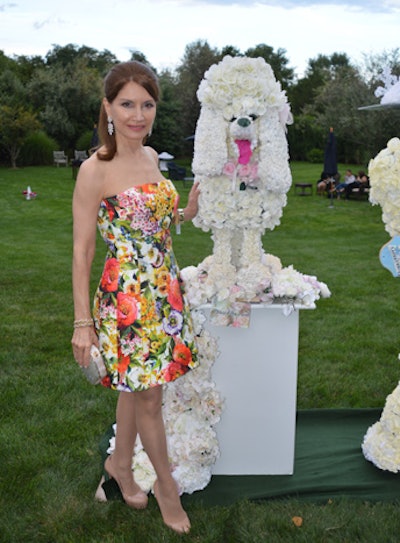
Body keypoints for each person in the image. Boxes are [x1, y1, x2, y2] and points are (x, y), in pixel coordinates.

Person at [71, 60, 200, 534]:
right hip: (126, 299)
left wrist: (182, 212)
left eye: (147, 104)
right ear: (107, 107)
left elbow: (154, 227)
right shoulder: (94, 170)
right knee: (149, 399)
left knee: (140, 388)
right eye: (127, 103)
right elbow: (83, 250)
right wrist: (82, 323)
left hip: (163, 294)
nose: (137, 114)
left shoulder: (152, 160)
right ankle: (167, 488)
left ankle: (119, 466)